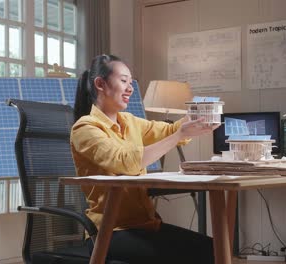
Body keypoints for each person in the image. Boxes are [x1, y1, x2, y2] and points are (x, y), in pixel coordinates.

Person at [70, 54, 218, 264]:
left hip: (146, 226)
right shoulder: (85, 128)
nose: (130, 88)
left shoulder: (130, 122)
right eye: (123, 81)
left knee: (214, 249)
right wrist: (180, 135)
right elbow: (124, 161)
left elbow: (168, 131)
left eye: (131, 83)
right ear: (100, 84)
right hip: (110, 232)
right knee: (192, 255)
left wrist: (196, 120)